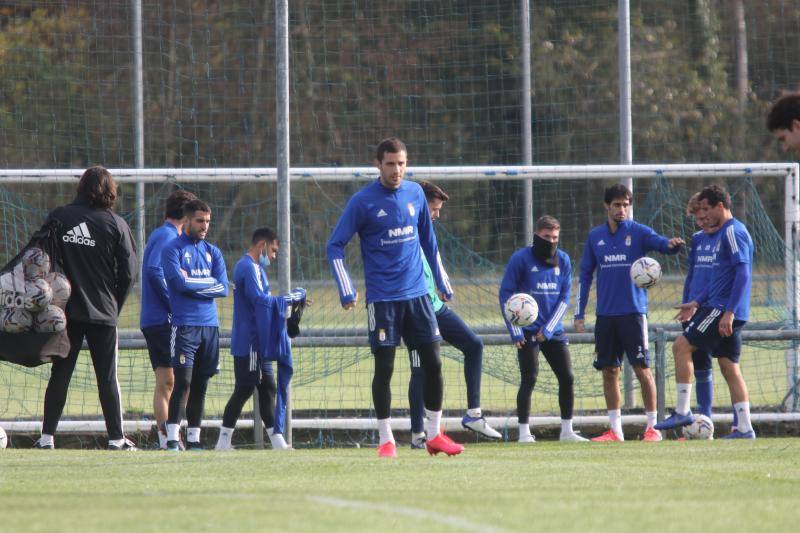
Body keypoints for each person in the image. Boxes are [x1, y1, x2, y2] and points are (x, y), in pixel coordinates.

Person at [326, 137, 463, 458]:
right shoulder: (363, 202)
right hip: (383, 299)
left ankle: (434, 435)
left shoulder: (416, 193)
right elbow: (334, 246)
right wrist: (346, 287)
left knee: (434, 363)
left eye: (401, 163)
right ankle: (386, 439)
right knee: (385, 368)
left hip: (418, 296)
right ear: (378, 164)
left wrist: (441, 280)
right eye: (390, 163)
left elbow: (429, 242)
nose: (397, 170)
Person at [36, 166, 138, 450]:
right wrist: (113, 304)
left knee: (60, 374)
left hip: (65, 311)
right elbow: (129, 272)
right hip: (103, 312)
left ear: (80, 188)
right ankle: (116, 439)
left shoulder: (59, 217)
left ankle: (46, 439)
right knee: (107, 377)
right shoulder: (116, 224)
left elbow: (39, 256)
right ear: (110, 191)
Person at [574, 183, 684, 442]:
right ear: (607, 206)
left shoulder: (638, 232)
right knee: (609, 371)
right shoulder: (595, 237)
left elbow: (660, 243)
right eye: (617, 205)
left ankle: (652, 428)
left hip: (633, 314)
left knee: (642, 368)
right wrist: (579, 313)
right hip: (606, 316)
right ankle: (615, 430)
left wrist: (672, 245)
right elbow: (585, 274)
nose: (622, 210)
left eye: (626, 205)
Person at [657, 184, 756, 439]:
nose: (705, 218)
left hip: (722, 308)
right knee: (728, 366)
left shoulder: (733, 232)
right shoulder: (715, 235)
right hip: (716, 306)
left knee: (680, 347)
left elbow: (743, 273)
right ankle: (745, 428)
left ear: (720, 207)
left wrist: (729, 312)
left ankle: (682, 411)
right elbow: (717, 280)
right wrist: (696, 302)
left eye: (707, 211)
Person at [406, 181, 500, 449]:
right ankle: (417, 435)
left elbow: (434, 258)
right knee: (420, 369)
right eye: (433, 209)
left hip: (434, 305)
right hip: (413, 310)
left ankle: (473, 415)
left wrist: (442, 283)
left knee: (474, 344)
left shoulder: (425, 233)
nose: (436, 215)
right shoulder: (404, 232)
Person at [215, 227, 306, 451]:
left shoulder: (257, 269)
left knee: (268, 388)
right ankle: (223, 442)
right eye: (273, 251)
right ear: (262, 245)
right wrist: (290, 298)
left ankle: (278, 442)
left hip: (260, 340)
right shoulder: (247, 267)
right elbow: (262, 302)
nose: (273, 257)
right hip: (250, 341)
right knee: (245, 388)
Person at [500, 215, 587, 443]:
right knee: (529, 377)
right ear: (537, 235)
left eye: (555, 237)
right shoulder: (520, 259)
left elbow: (564, 297)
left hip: (552, 331)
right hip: (526, 331)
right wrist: (516, 330)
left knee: (567, 377)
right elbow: (505, 294)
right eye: (547, 236)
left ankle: (567, 431)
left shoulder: (564, 260)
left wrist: (548, 330)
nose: (551, 241)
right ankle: (523, 432)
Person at [162, 198, 228, 451]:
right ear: (187, 220)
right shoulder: (172, 249)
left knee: (201, 383)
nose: (204, 226)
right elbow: (177, 284)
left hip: (210, 327)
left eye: (208, 222)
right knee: (184, 382)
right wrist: (206, 285)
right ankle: (171, 439)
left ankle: (194, 440)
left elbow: (223, 288)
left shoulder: (213, 252)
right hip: (185, 326)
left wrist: (193, 283)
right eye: (200, 221)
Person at [140, 189, 197, 450]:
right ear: (186, 215)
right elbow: (154, 270)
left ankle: (168, 437)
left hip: (159, 319)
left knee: (168, 379)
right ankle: (169, 437)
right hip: (162, 319)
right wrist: (173, 303)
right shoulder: (166, 236)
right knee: (171, 380)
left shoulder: (165, 234)